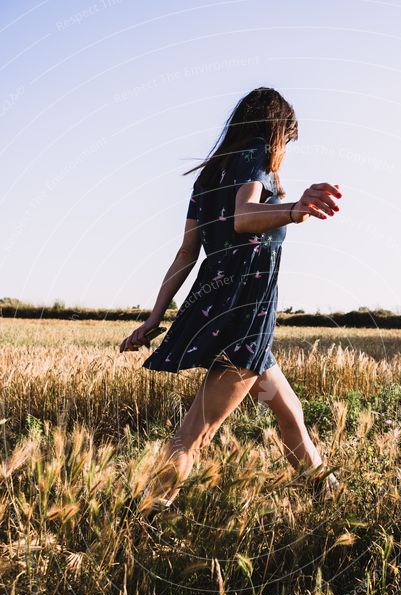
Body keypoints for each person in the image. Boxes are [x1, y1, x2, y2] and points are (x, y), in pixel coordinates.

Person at [119, 87, 342, 506]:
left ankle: (330, 499)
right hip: (243, 318)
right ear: (275, 132)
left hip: (223, 310)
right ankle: (142, 517)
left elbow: (186, 253)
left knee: (290, 415)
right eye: (286, 142)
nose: (283, 153)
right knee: (195, 434)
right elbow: (243, 217)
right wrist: (294, 209)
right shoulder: (256, 157)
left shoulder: (208, 176)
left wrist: (154, 317)